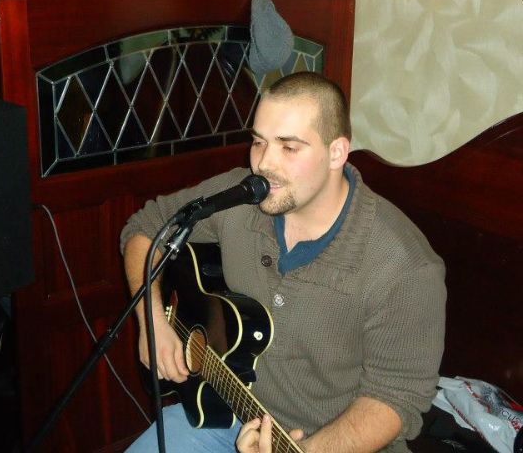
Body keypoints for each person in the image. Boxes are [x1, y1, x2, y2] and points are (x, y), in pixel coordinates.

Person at [120, 71, 446, 453]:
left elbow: (396, 399)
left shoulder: (404, 265)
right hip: (222, 412)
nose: (263, 164)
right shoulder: (240, 197)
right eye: (258, 142)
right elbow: (146, 228)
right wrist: (153, 322)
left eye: (289, 147)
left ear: (337, 153)